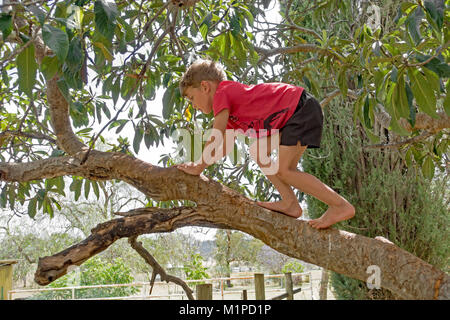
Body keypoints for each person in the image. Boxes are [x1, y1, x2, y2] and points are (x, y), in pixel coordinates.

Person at [175, 59, 355, 229]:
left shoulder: (222, 92)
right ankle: (290, 203)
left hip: (299, 109)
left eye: (191, 98)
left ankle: (340, 205)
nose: (193, 105)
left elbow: (217, 134)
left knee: (286, 171)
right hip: (291, 116)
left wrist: (199, 165)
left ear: (205, 87)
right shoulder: (230, 116)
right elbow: (222, 148)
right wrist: (198, 165)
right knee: (258, 150)